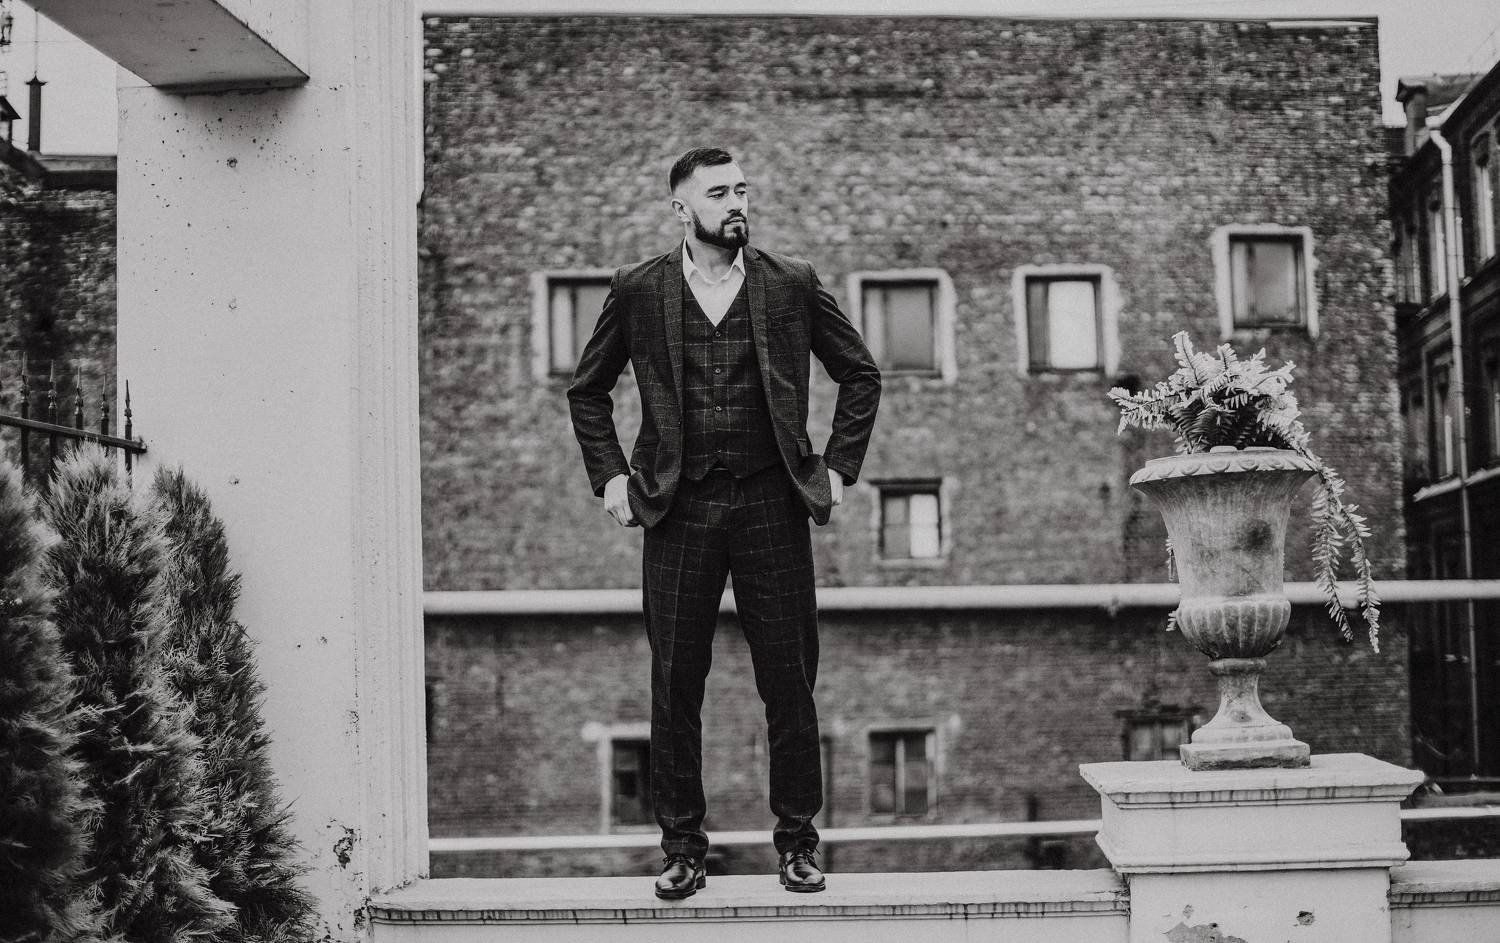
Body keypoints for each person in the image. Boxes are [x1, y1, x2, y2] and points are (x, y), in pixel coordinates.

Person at [568, 147, 881, 899]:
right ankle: (682, 850)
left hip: (773, 500)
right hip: (677, 508)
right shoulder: (639, 288)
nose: (736, 202)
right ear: (682, 209)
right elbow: (588, 390)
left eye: (741, 189)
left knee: (790, 681)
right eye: (718, 193)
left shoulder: (790, 281)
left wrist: (838, 469)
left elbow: (860, 372)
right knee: (676, 682)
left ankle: (799, 845)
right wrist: (611, 476)